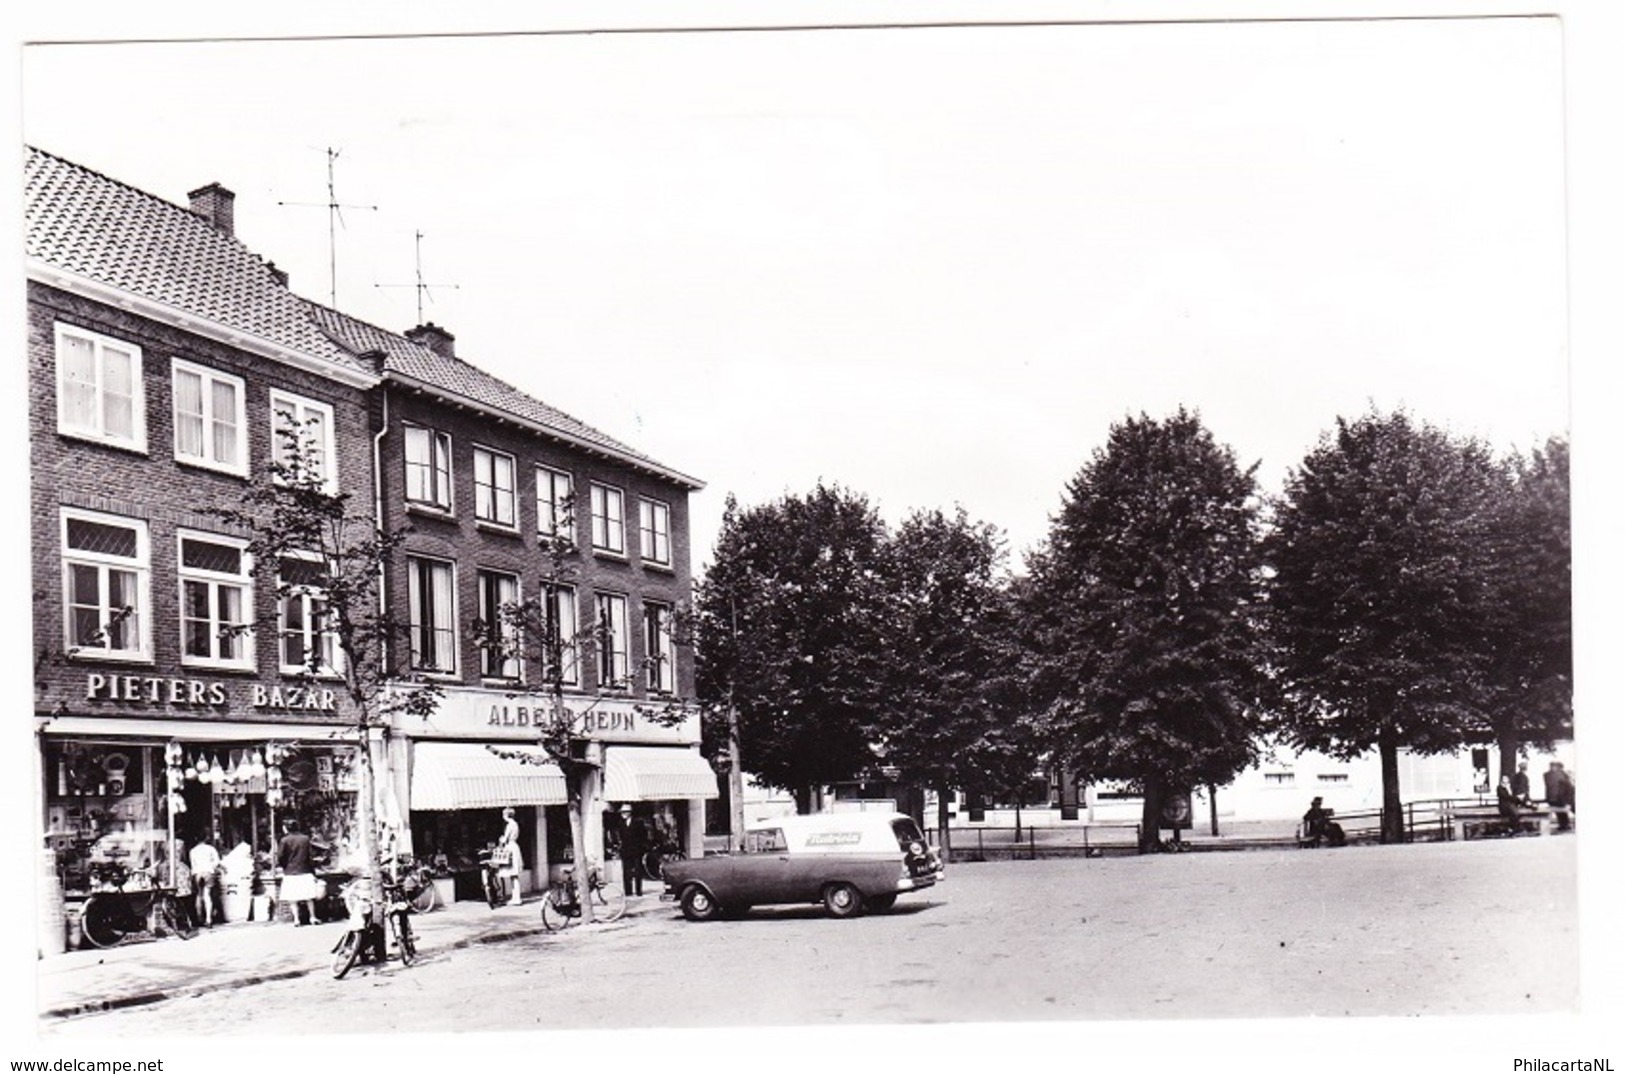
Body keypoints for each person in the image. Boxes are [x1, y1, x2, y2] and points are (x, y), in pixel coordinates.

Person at [277, 819, 318, 925]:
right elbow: (310, 856)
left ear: (286, 828)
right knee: (309, 897)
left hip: (290, 872)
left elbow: (280, 857)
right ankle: (313, 917)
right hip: (305, 870)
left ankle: (296, 919)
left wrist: (284, 866)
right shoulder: (305, 839)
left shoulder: (284, 840)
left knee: (292, 898)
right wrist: (313, 871)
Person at [188, 833, 222, 928]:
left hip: (197, 872)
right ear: (206, 838)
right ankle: (208, 919)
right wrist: (212, 868)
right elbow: (216, 862)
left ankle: (199, 918)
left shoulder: (193, 850)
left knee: (199, 895)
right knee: (207, 895)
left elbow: (192, 863)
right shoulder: (211, 849)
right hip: (208, 871)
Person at [620, 809, 650, 897]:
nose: (623, 814)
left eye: (624, 812)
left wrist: (642, 847)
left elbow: (644, 835)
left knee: (638, 871)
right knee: (626, 872)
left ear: (629, 813)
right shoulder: (621, 823)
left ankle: (638, 890)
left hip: (637, 850)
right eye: (622, 812)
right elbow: (621, 836)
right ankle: (628, 891)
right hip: (626, 851)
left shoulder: (638, 823)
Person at [498, 807, 523, 906]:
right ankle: (516, 897)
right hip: (515, 847)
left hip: (510, 848)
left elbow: (505, 839)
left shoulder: (509, 825)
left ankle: (516, 898)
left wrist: (501, 839)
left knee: (513, 875)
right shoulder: (516, 824)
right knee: (514, 875)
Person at [1544, 762, 1574, 832]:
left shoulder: (1548, 775)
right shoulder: (1562, 775)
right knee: (1562, 811)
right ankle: (1564, 825)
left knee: (1561, 811)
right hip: (1559, 799)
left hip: (1554, 799)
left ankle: (1564, 825)